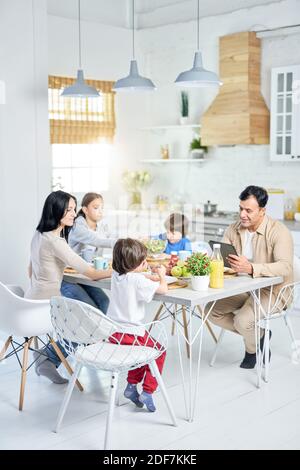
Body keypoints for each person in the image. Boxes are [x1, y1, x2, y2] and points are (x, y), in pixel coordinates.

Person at [25, 190, 112, 384]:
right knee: (92, 320)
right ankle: (50, 355)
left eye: (74, 209)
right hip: (46, 304)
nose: (74, 214)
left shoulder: (40, 234)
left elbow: (29, 270)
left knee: (102, 302)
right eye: (69, 210)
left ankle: (50, 355)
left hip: (31, 299)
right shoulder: (55, 241)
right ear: (56, 212)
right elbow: (91, 273)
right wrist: (122, 269)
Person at [207, 185, 293, 369]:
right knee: (211, 310)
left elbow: (286, 267)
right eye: (240, 208)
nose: (242, 215)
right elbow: (222, 258)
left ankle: (251, 350)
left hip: (274, 291)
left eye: (248, 210)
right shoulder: (233, 229)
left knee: (243, 320)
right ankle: (260, 334)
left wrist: (251, 267)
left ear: (262, 211)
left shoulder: (279, 231)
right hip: (243, 288)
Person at [107, 238, 168, 412]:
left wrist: (147, 275)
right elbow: (163, 289)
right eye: (144, 262)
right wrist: (162, 277)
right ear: (135, 265)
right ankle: (148, 391)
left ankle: (131, 386)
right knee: (159, 351)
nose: (146, 264)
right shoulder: (137, 281)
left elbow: (134, 277)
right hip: (132, 333)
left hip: (114, 332)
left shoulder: (116, 275)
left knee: (144, 353)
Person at [61, 192, 116, 313]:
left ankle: (98, 332)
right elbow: (98, 240)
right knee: (92, 310)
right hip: (69, 277)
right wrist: (122, 243)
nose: (100, 211)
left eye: (102, 208)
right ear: (85, 210)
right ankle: (94, 331)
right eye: (96, 208)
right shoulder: (78, 227)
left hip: (84, 275)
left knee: (104, 302)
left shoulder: (101, 227)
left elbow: (112, 237)